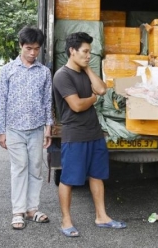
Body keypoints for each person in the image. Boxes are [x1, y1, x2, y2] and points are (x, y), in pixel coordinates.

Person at [52, 32, 126, 237]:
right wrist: (92, 99)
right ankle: (66, 220)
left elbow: (102, 90)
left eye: (89, 52)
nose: (88, 56)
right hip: (74, 135)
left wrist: (87, 68)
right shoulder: (62, 75)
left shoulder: (85, 71)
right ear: (72, 51)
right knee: (68, 179)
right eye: (84, 52)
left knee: (97, 175)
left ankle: (102, 216)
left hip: (94, 132)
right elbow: (76, 105)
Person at [0, 26, 54, 230]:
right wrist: (1, 131)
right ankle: (18, 211)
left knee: (36, 169)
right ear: (21, 46)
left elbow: (48, 101)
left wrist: (48, 127)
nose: (32, 53)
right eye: (28, 48)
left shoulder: (44, 72)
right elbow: (1, 101)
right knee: (19, 168)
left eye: (36, 49)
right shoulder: (8, 70)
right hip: (14, 129)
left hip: (37, 129)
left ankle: (32, 209)